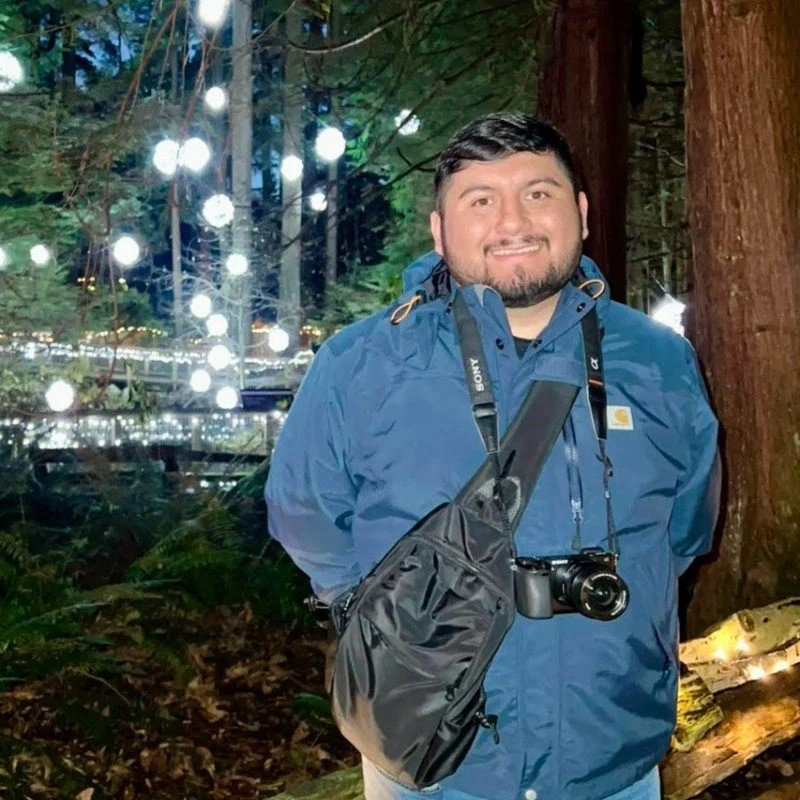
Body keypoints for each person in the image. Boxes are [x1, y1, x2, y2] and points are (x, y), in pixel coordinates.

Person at [265, 112, 721, 800]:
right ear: (440, 230)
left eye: (538, 193)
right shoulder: (363, 365)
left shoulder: (660, 363)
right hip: (430, 763)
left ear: (582, 213)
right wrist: (397, 620)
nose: (514, 221)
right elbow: (305, 518)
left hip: (611, 760)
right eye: (480, 200)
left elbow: (685, 530)